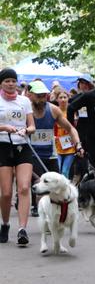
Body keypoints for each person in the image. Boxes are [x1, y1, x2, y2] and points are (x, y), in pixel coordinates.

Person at [27, 81, 83, 216]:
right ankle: (43, 215)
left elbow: (70, 128)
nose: (42, 99)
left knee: (53, 185)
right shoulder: (26, 110)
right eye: (38, 95)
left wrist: (78, 144)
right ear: (30, 95)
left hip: (51, 154)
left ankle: (50, 215)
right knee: (39, 181)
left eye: (44, 95)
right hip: (31, 154)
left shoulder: (53, 110)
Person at [0, 68, 36, 246]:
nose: (11, 84)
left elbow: (32, 126)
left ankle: (22, 229)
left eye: (13, 80)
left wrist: (25, 130)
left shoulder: (24, 101)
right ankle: (5, 224)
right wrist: (4, 128)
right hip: (3, 146)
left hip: (22, 145)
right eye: (7, 80)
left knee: (23, 187)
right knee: (6, 192)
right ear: (1, 83)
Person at [54, 90, 77, 178]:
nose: (63, 100)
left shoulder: (73, 111)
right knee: (57, 170)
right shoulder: (55, 110)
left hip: (70, 145)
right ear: (57, 99)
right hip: (57, 145)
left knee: (65, 171)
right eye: (60, 97)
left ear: (68, 98)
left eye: (65, 97)